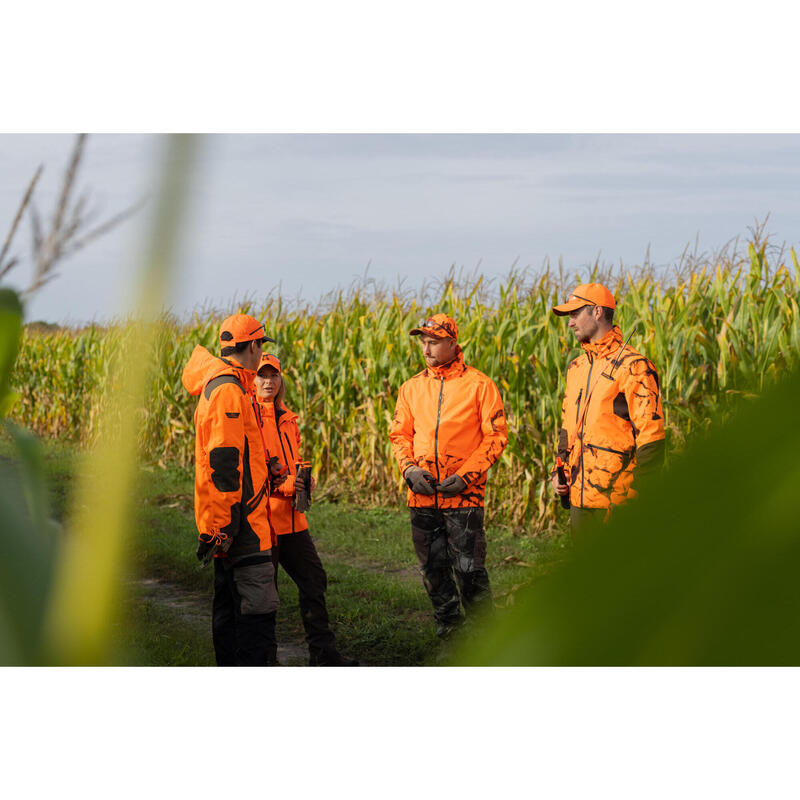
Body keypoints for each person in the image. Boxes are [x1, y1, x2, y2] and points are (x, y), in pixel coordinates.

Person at [389, 313, 508, 638]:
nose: (426, 349)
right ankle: (450, 631)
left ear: (453, 343)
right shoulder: (412, 388)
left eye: (434, 342)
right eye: (423, 342)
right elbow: (400, 436)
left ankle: (486, 639)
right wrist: (410, 469)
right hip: (422, 495)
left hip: (463, 497)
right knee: (433, 569)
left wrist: (466, 476)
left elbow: (496, 436)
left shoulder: (480, 385)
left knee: (469, 570)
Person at [181, 313, 280, 666]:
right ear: (253, 345)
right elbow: (224, 465)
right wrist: (222, 528)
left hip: (232, 524)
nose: (260, 354)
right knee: (255, 614)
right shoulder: (228, 390)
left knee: (230, 609)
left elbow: (237, 454)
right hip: (243, 527)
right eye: (260, 346)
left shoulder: (231, 384)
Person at [253, 353, 358, 666]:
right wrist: (287, 485)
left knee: (314, 581)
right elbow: (255, 472)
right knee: (265, 596)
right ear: (252, 380)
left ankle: (324, 656)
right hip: (265, 523)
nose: (268, 382)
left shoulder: (288, 420)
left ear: (281, 380)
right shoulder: (249, 420)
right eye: (262, 376)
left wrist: (303, 478)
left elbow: (289, 462)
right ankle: (266, 661)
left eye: (274, 376)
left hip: (294, 521)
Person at [550, 283, 665, 531]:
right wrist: (558, 472)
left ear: (597, 312)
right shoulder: (576, 368)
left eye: (575, 314)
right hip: (580, 499)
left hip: (619, 503)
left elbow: (651, 437)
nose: (570, 323)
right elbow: (567, 430)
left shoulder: (634, 366)